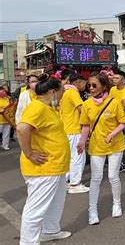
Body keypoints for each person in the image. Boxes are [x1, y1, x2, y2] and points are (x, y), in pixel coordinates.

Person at [17, 73, 72, 244]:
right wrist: (30, 153)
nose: (63, 95)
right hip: (44, 167)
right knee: (36, 208)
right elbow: (22, 128)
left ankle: (50, 230)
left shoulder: (49, 108)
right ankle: (28, 242)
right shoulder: (37, 107)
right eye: (62, 91)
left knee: (56, 202)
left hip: (55, 166)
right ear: (53, 92)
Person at [77, 72, 125, 225]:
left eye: (94, 85)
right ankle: (92, 210)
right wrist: (81, 141)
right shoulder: (86, 104)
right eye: (89, 86)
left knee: (113, 176)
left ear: (104, 86)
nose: (91, 88)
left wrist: (113, 133)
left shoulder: (115, 102)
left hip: (115, 145)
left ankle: (116, 203)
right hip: (97, 146)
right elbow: (86, 126)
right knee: (96, 178)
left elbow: (123, 122)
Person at [60, 73, 89, 194]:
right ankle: (75, 183)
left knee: (70, 158)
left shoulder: (65, 92)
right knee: (78, 157)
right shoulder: (73, 92)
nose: (86, 86)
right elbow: (82, 109)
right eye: (85, 84)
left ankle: (67, 182)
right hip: (74, 129)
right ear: (78, 82)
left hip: (67, 129)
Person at [110, 70, 125, 176]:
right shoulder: (112, 90)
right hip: (116, 122)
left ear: (123, 79)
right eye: (113, 78)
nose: (114, 80)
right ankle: (121, 164)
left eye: (117, 78)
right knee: (118, 144)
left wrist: (124, 109)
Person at [0, 84, 11, 150]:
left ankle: (5, 145)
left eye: (3, 91)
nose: (3, 93)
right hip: (0, 118)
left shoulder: (7, 98)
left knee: (6, 133)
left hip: (7, 118)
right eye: (1, 91)